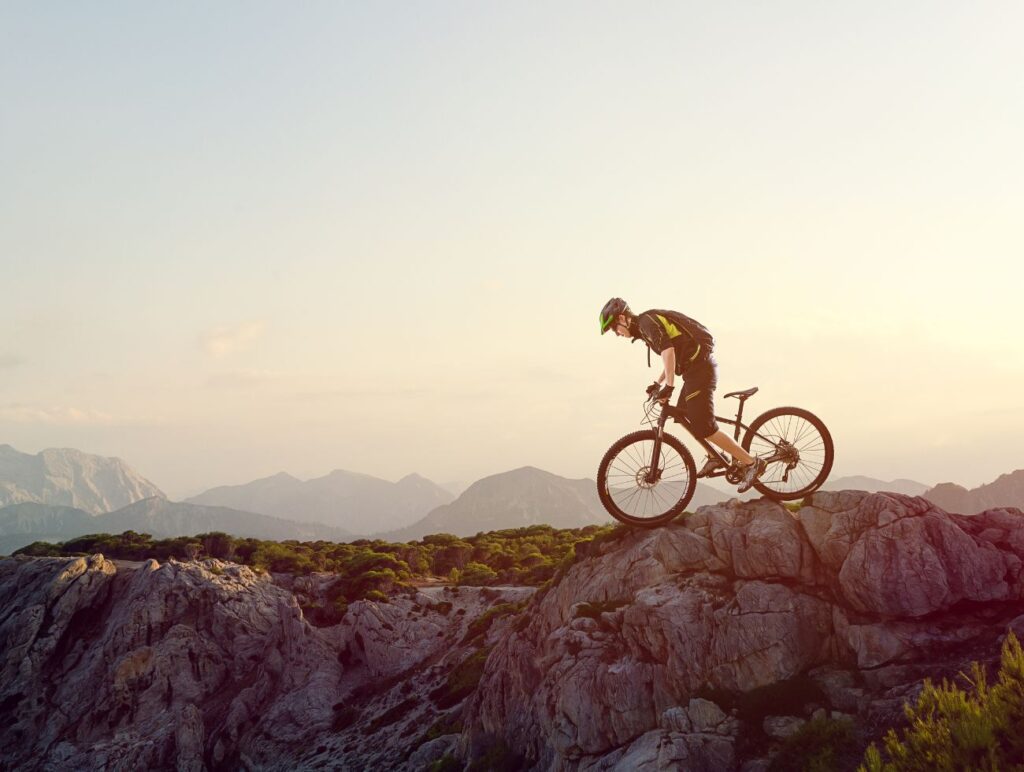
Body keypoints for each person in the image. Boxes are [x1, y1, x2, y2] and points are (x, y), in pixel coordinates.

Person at [599, 297, 766, 493]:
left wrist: (669, 386)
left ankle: (752, 463)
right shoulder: (645, 329)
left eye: (613, 329)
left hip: (701, 369)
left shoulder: (646, 322)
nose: (617, 334)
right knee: (683, 415)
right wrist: (658, 383)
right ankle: (714, 457)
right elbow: (670, 357)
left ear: (622, 318)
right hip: (692, 371)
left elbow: (668, 351)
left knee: (705, 427)